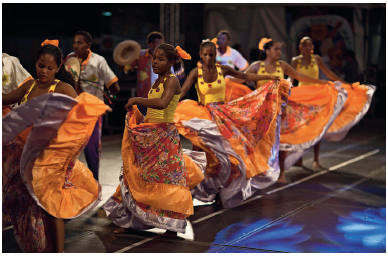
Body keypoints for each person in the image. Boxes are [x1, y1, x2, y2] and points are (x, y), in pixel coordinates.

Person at [2, 40, 111, 253]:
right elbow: (4, 99)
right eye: (41, 66)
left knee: (52, 206)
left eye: (50, 68)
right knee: (25, 204)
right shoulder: (29, 86)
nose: (44, 71)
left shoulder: (63, 88)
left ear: (58, 68)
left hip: (51, 157)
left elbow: (79, 116)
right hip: (27, 155)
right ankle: (36, 245)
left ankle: (59, 252)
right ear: (35, 63)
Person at [103, 43, 206, 237]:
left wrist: (136, 100)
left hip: (164, 138)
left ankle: (170, 225)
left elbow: (162, 103)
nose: (155, 62)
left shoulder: (172, 81)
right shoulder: (158, 81)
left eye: (160, 59)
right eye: (154, 58)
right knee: (137, 175)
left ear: (171, 62)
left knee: (164, 180)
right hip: (151, 135)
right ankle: (131, 222)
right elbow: (153, 109)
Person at [174, 39, 289, 208]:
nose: (208, 57)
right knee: (200, 154)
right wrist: (165, 105)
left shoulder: (223, 70)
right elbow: (183, 92)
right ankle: (192, 191)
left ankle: (222, 190)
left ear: (215, 55)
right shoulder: (195, 73)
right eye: (205, 55)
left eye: (211, 54)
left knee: (226, 155)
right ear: (200, 55)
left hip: (222, 115)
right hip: (203, 116)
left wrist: (269, 77)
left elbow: (245, 76)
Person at [235, 38, 345, 184]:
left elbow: (300, 76)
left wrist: (321, 82)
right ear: (267, 51)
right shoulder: (257, 66)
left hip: (280, 110)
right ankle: (257, 170)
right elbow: (241, 79)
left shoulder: (283, 66)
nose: (278, 52)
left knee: (281, 142)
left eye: (279, 49)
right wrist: (223, 81)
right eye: (276, 49)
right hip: (261, 112)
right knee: (259, 142)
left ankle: (281, 174)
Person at [290, 37, 375, 161]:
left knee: (317, 128)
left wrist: (345, 84)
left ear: (312, 47)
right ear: (300, 48)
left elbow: (329, 73)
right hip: (301, 97)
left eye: (309, 45)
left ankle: (315, 159)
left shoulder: (317, 59)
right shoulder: (295, 61)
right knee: (300, 128)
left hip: (317, 97)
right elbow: (291, 78)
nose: (307, 48)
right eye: (304, 46)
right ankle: (298, 158)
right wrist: (286, 89)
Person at [66, 30, 120, 182]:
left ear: (88, 45)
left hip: (92, 113)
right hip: (74, 112)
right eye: (74, 42)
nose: (76, 45)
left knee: (92, 149)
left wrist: (107, 97)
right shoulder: (69, 59)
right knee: (69, 148)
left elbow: (115, 87)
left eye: (80, 43)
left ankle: (94, 183)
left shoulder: (98, 61)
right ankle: (67, 182)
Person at [215, 30, 253, 102]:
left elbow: (244, 66)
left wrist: (236, 77)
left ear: (228, 41)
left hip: (229, 84)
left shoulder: (233, 53)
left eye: (223, 39)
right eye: (219, 38)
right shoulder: (213, 51)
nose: (220, 40)